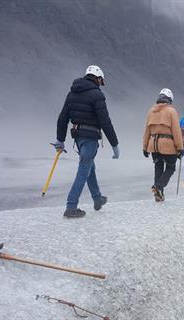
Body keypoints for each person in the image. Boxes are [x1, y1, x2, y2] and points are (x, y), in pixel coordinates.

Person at [55, 65, 119, 218]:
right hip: (90, 136)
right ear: (97, 78)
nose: (100, 84)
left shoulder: (72, 93)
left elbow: (63, 118)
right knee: (84, 169)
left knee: (90, 167)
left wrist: (60, 140)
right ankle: (71, 206)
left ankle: (97, 198)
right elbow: (105, 121)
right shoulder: (97, 95)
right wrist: (114, 144)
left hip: (78, 137)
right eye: (101, 81)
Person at [142, 88, 183, 202]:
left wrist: (145, 147)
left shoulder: (151, 111)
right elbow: (176, 131)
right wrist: (180, 147)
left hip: (153, 145)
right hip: (168, 145)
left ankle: (158, 194)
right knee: (170, 167)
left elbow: (147, 130)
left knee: (158, 167)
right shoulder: (171, 111)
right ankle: (159, 187)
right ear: (169, 99)